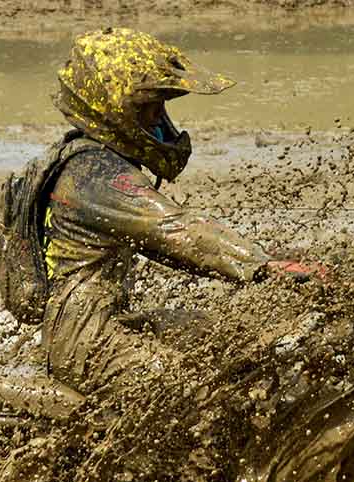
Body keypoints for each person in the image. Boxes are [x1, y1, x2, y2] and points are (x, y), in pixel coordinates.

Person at [27, 27, 321, 395]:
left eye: (160, 108)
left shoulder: (85, 162)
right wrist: (264, 266)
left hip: (97, 324)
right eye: (148, 109)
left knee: (226, 340)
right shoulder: (97, 175)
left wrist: (264, 267)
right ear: (113, 110)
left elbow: (173, 245)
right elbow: (179, 230)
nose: (158, 119)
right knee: (199, 388)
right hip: (85, 340)